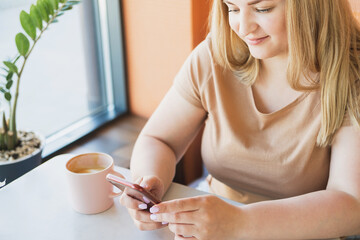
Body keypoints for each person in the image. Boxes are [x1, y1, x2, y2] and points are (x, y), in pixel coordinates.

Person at [120, 0, 360, 239]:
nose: (243, 28)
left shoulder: (351, 78)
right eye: (232, 8)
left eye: (262, 9)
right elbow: (159, 139)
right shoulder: (215, 54)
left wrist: (239, 223)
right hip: (212, 221)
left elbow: (352, 204)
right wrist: (149, 181)